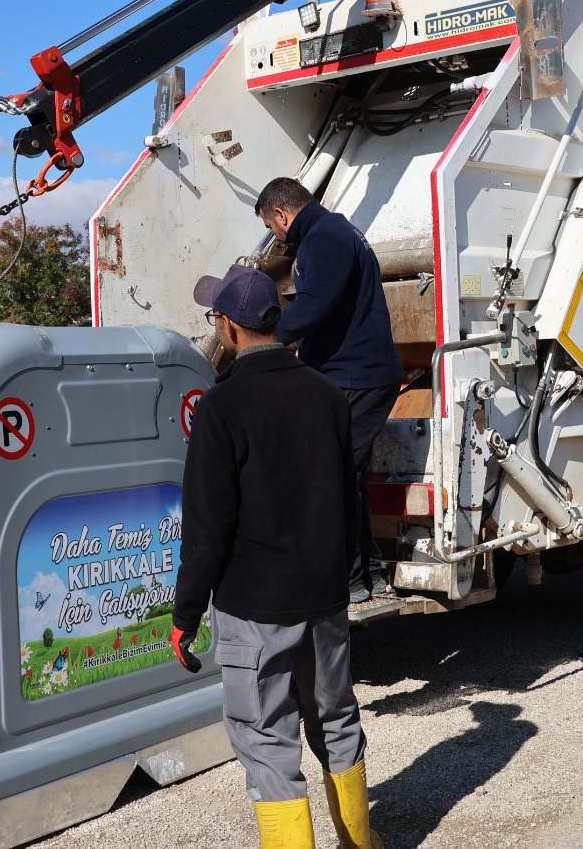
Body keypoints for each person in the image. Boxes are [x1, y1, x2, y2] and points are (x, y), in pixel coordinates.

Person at [170, 263, 385, 849]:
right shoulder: (327, 395)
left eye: (216, 316)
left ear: (232, 328)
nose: (215, 325)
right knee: (337, 720)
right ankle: (360, 844)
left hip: (255, 606)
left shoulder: (221, 408)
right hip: (323, 598)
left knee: (267, 742)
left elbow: (209, 528)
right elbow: (348, 497)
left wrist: (185, 613)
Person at [255, 177, 403, 602]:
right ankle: (360, 573)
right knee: (346, 475)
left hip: (359, 376)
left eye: (272, 226)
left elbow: (315, 303)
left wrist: (270, 338)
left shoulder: (325, 237)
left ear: (281, 214)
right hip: (355, 373)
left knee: (332, 476)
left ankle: (349, 580)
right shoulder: (332, 232)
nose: (277, 236)